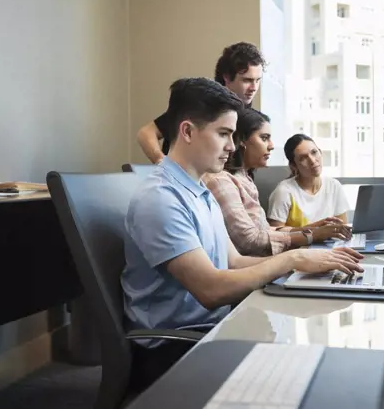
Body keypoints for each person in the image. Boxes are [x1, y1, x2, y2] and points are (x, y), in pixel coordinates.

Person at [122, 78, 363, 390]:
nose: (232, 146)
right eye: (223, 134)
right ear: (187, 131)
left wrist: (307, 260)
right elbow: (210, 289)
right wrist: (294, 257)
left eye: (233, 135)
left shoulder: (200, 189)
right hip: (177, 347)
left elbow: (233, 262)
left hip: (214, 327)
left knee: (322, 362)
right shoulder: (160, 199)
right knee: (304, 376)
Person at [203, 108, 351, 257]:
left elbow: (267, 231)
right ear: (242, 141)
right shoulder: (223, 181)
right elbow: (250, 240)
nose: (271, 145)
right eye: (264, 138)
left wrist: (314, 228)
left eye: (314, 152)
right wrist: (311, 235)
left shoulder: (245, 180)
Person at [136, 42, 266, 164]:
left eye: (258, 80)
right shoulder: (202, 103)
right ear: (226, 77)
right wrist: (163, 163)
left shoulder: (248, 112)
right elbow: (146, 133)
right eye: (247, 80)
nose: (254, 87)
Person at [268, 134, 351, 228]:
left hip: (331, 242)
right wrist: (317, 230)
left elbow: (342, 228)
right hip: (299, 243)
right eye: (303, 158)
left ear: (320, 152)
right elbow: (275, 233)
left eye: (314, 152)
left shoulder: (333, 185)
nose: (312, 160)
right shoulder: (284, 191)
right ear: (293, 166)